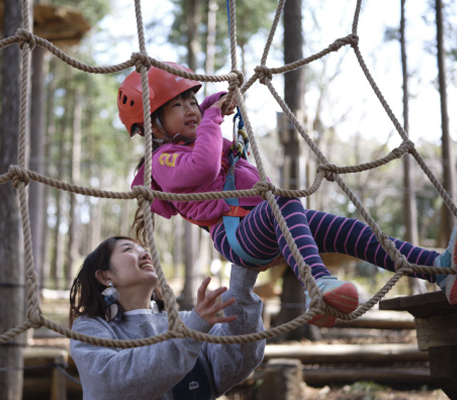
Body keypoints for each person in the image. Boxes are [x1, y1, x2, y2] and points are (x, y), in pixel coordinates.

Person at [118, 62, 457, 327]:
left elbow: (210, 145)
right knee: (282, 199)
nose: (190, 108)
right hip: (237, 234)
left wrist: (213, 105)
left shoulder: (199, 133)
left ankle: (436, 269)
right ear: (154, 127)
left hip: (261, 222)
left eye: (192, 99)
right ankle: (318, 284)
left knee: (352, 232)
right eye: (177, 104)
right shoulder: (162, 161)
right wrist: (211, 117)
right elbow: (204, 168)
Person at [69, 236, 266, 400]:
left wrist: (244, 274)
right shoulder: (89, 328)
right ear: (105, 277)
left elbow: (238, 362)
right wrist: (191, 332)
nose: (146, 253)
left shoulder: (186, 321)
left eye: (144, 249)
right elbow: (111, 384)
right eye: (128, 249)